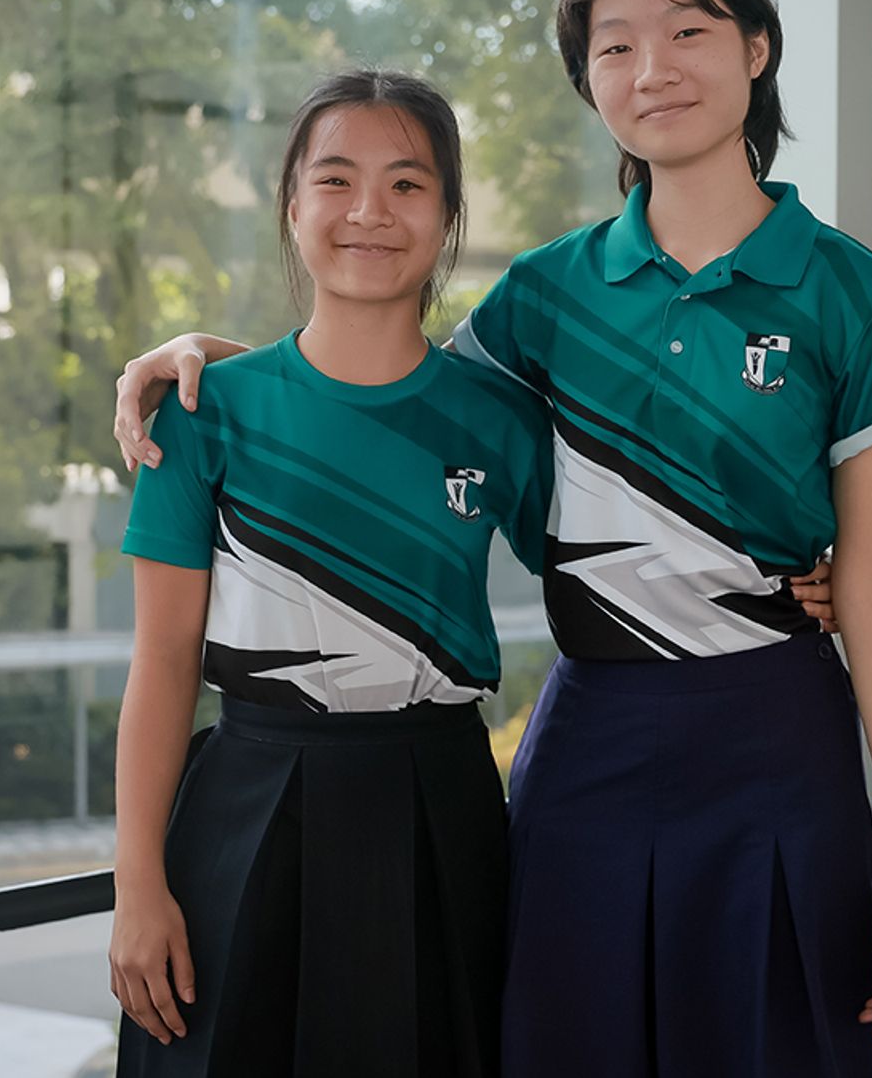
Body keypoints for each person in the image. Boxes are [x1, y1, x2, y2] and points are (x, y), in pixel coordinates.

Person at [115, 0, 872, 1077]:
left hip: (781, 734)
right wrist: (207, 358)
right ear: (588, 80)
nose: (652, 69)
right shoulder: (544, 298)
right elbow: (377, 396)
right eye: (614, 45)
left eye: (688, 29)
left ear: (757, 47)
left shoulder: (855, 295)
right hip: (591, 736)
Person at [109, 69, 553, 1078]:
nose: (369, 212)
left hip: (440, 806)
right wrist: (139, 882)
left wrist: (806, 579)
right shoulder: (200, 411)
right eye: (336, 179)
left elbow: (618, 573)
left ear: (446, 217)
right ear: (292, 205)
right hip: (245, 808)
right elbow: (163, 657)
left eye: (407, 184)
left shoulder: (499, 422)